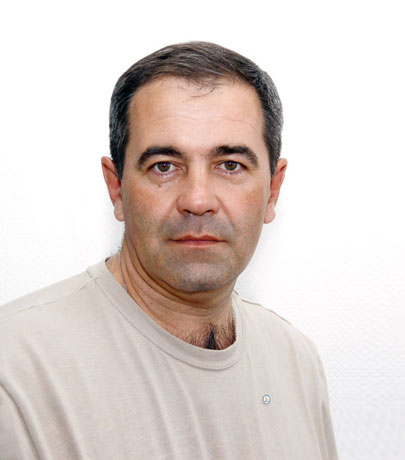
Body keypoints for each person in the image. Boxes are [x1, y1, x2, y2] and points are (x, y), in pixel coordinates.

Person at [0, 42, 338, 459]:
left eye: (230, 165)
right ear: (116, 188)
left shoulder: (296, 362)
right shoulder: (15, 372)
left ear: (273, 190)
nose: (197, 199)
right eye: (164, 166)